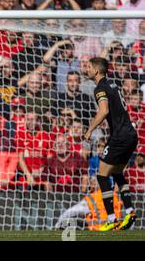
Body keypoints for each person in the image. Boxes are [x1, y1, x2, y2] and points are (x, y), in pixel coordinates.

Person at [84, 57, 138, 231]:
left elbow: (104, 111)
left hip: (120, 137)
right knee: (116, 172)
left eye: (89, 67)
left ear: (97, 71)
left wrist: (90, 129)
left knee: (101, 175)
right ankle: (129, 211)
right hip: (130, 135)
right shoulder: (113, 85)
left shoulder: (100, 88)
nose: (87, 70)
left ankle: (111, 219)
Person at [55, 176, 122, 231]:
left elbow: (70, 212)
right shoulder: (114, 195)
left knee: (70, 221)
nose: (89, 186)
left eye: (90, 183)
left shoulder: (92, 198)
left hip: (99, 229)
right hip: (116, 229)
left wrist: (57, 224)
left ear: (94, 184)